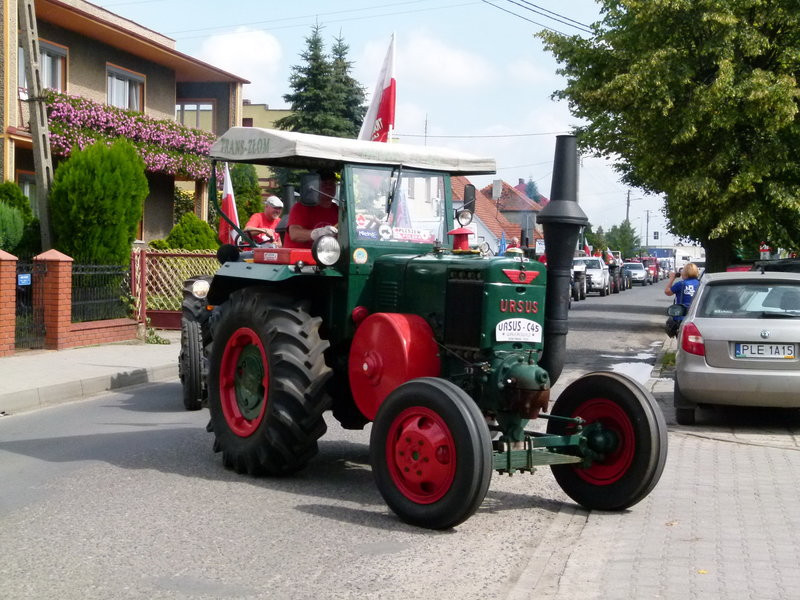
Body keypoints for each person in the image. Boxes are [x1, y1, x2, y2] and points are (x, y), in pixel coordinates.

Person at [284, 172, 339, 249]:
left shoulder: (339, 211)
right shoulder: (301, 207)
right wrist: (319, 233)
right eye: (324, 183)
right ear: (315, 186)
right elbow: (294, 234)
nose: (329, 186)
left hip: (329, 257)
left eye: (332, 183)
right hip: (301, 258)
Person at [664, 262, 701, 334]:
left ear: (685, 273)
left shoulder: (681, 284)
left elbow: (667, 292)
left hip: (681, 317)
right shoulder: (700, 283)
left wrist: (672, 278)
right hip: (696, 316)